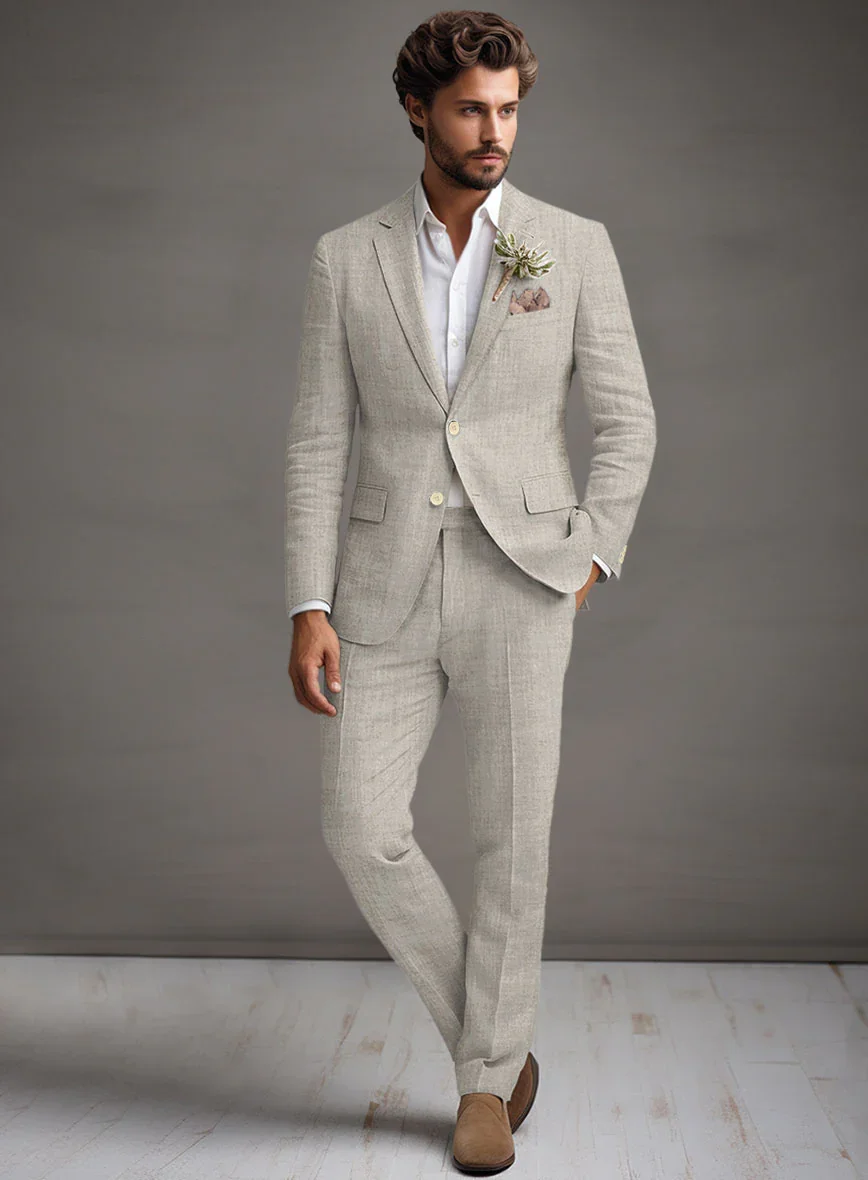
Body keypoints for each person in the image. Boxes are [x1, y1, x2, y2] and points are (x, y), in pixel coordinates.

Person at [284, 11, 656, 1173]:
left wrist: (590, 555)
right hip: (379, 585)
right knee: (360, 826)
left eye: (507, 110)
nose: (493, 132)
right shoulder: (345, 257)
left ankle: (481, 1088)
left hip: (524, 577)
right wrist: (306, 601)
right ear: (417, 111)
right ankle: (498, 1044)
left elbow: (628, 420)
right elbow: (314, 442)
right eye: (469, 110)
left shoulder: (570, 242)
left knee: (510, 837)